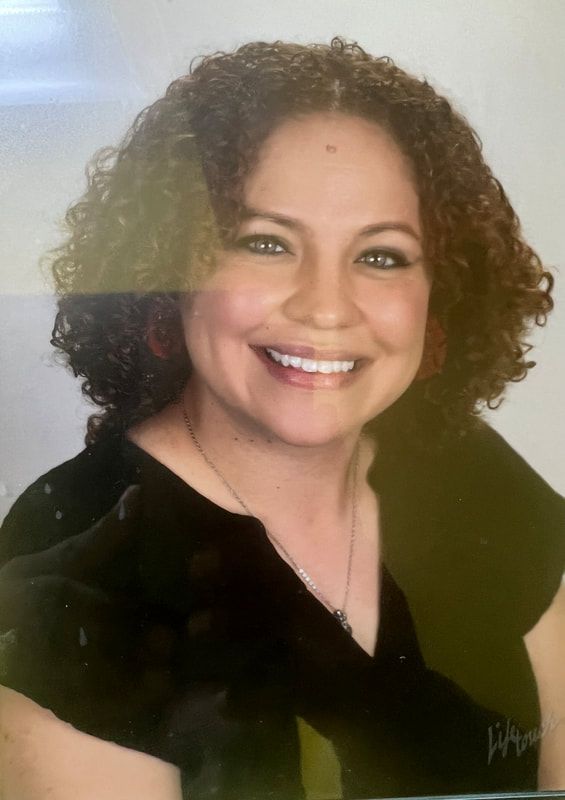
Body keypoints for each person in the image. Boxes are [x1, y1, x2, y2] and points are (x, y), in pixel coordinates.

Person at [0, 38, 564, 800]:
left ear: (443, 289)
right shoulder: (70, 573)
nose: (326, 307)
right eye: (265, 244)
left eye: (381, 256)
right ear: (168, 267)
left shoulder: (467, 469)